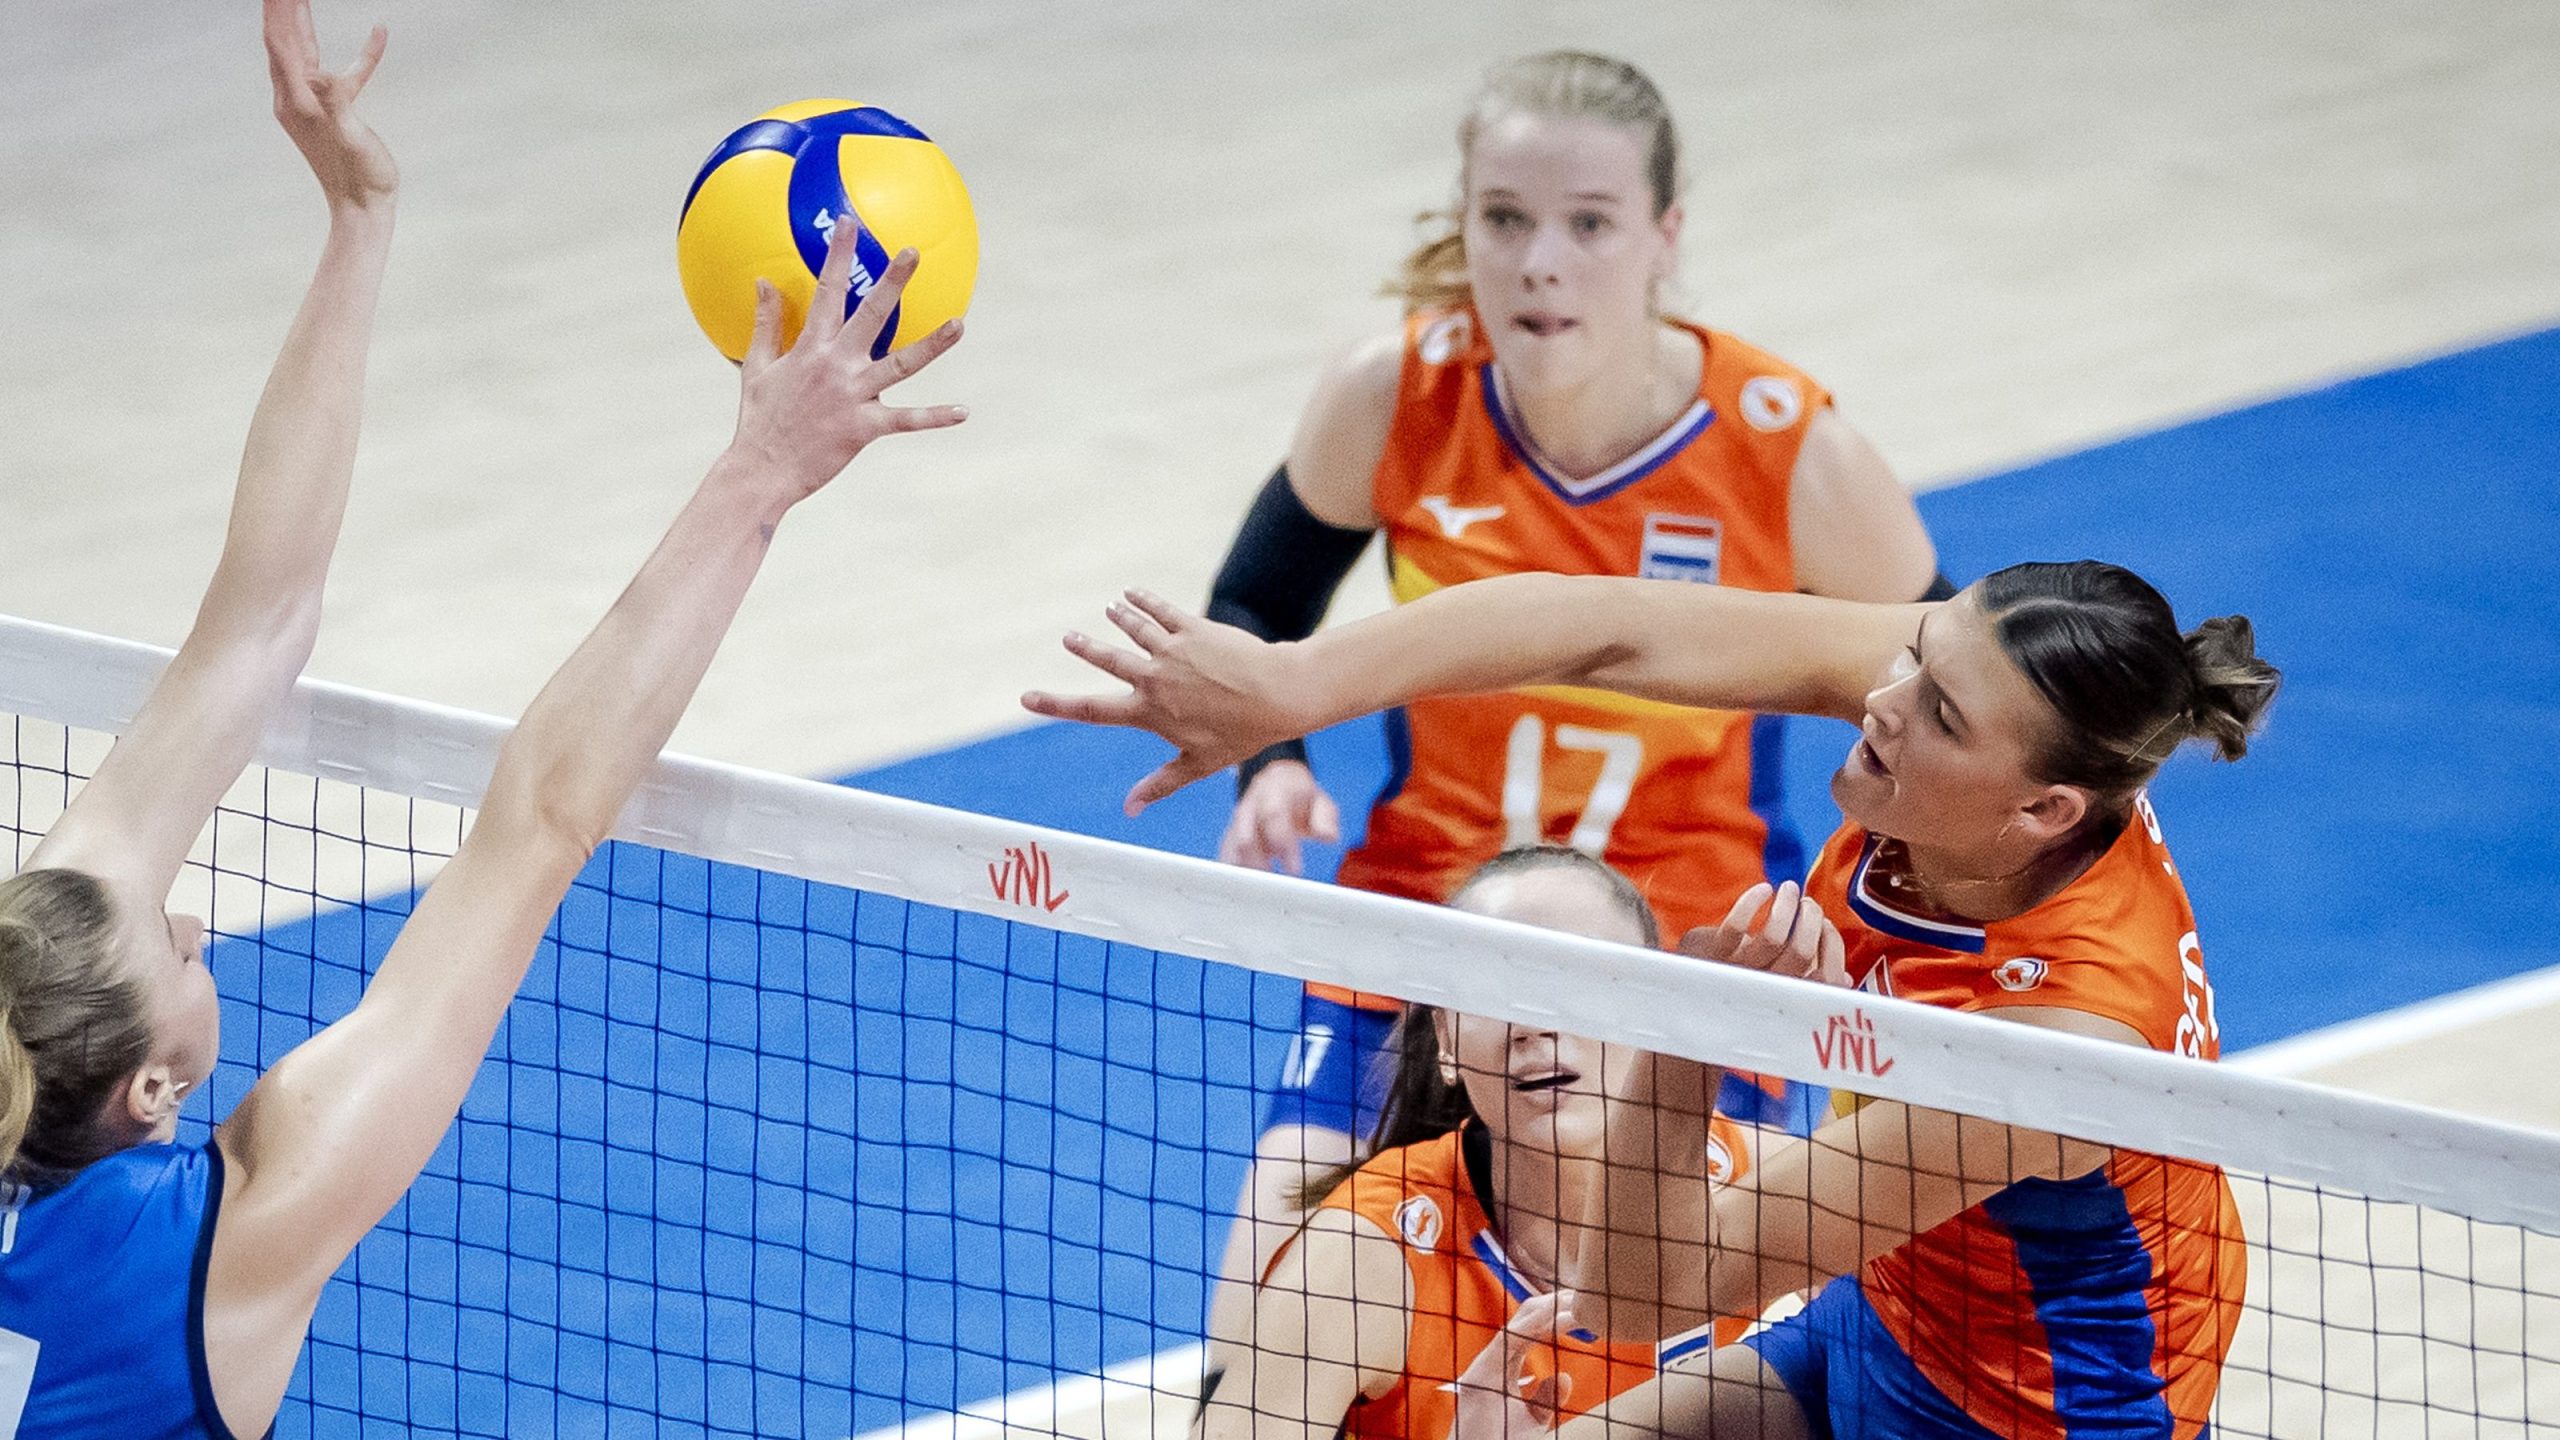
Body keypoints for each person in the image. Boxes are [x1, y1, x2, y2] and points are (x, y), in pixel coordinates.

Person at [0, 9, 965, 1432]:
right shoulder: (223, 1246)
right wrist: (758, 473)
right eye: (172, 948)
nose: (196, 924)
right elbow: (541, 825)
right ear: (154, 1088)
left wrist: (356, 224)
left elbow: (251, 629)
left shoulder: (54, 1039)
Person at [1026, 559, 2279, 1438]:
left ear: (2041, 811)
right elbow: (1604, 629)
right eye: (1912, 652)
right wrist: (1294, 688)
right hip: (1886, 1314)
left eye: (1936, 711)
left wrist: (1695, 1039)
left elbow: (1641, 1289)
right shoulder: (1998, 744)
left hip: (2027, 1414)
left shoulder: (2056, 1043)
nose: (1881, 699)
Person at [1199, 47, 1943, 1348]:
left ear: (1664, 237)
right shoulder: (1394, 395)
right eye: (1506, 221)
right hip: (1423, 922)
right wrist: (1271, 760)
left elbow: (1968, 695)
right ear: (1466, 225)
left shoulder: (1787, 452)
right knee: (1269, 1299)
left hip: (1693, 950)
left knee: (1686, 1352)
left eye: (1588, 225)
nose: (1542, 262)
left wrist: (1881, 910)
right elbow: (1255, 610)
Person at [1202, 845, 1838, 1440]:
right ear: (1447, 1043)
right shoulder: (1363, 1258)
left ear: (1655, 1007)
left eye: (1580, 978)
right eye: (1497, 990)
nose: (1534, 1024)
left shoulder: (1774, 1187)